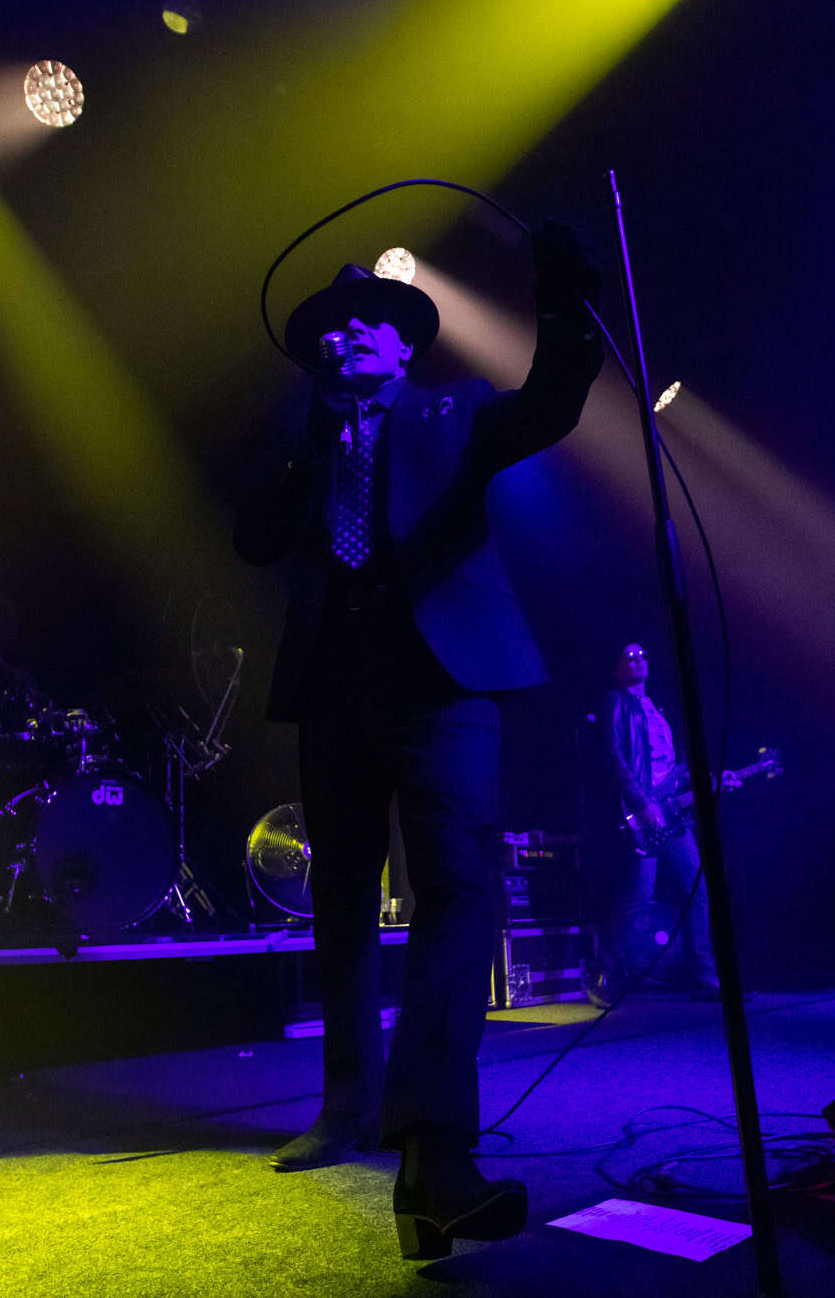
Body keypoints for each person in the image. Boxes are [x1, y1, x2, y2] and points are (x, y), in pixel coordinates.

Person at [235, 225, 601, 1258]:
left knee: (458, 889)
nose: (348, 332)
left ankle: (434, 1147)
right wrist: (311, 439)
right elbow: (252, 540)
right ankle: (346, 1108)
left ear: (404, 348)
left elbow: (550, 405)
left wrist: (564, 306)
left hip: (445, 681)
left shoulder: (455, 411)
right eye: (333, 327)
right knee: (342, 902)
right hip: (333, 688)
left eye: (370, 323)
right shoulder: (307, 443)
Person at [588, 642, 721, 1007]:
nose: (638, 660)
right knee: (638, 898)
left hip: (672, 814)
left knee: (697, 887)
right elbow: (615, 755)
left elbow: (671, 767)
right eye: (629, 657)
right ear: (618, 668)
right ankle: (605, 973)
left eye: (642, 655)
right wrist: (643, 802)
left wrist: (705, 780)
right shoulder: (617, 702)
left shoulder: (658, 711)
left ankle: (704, 975)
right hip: (645, 810)